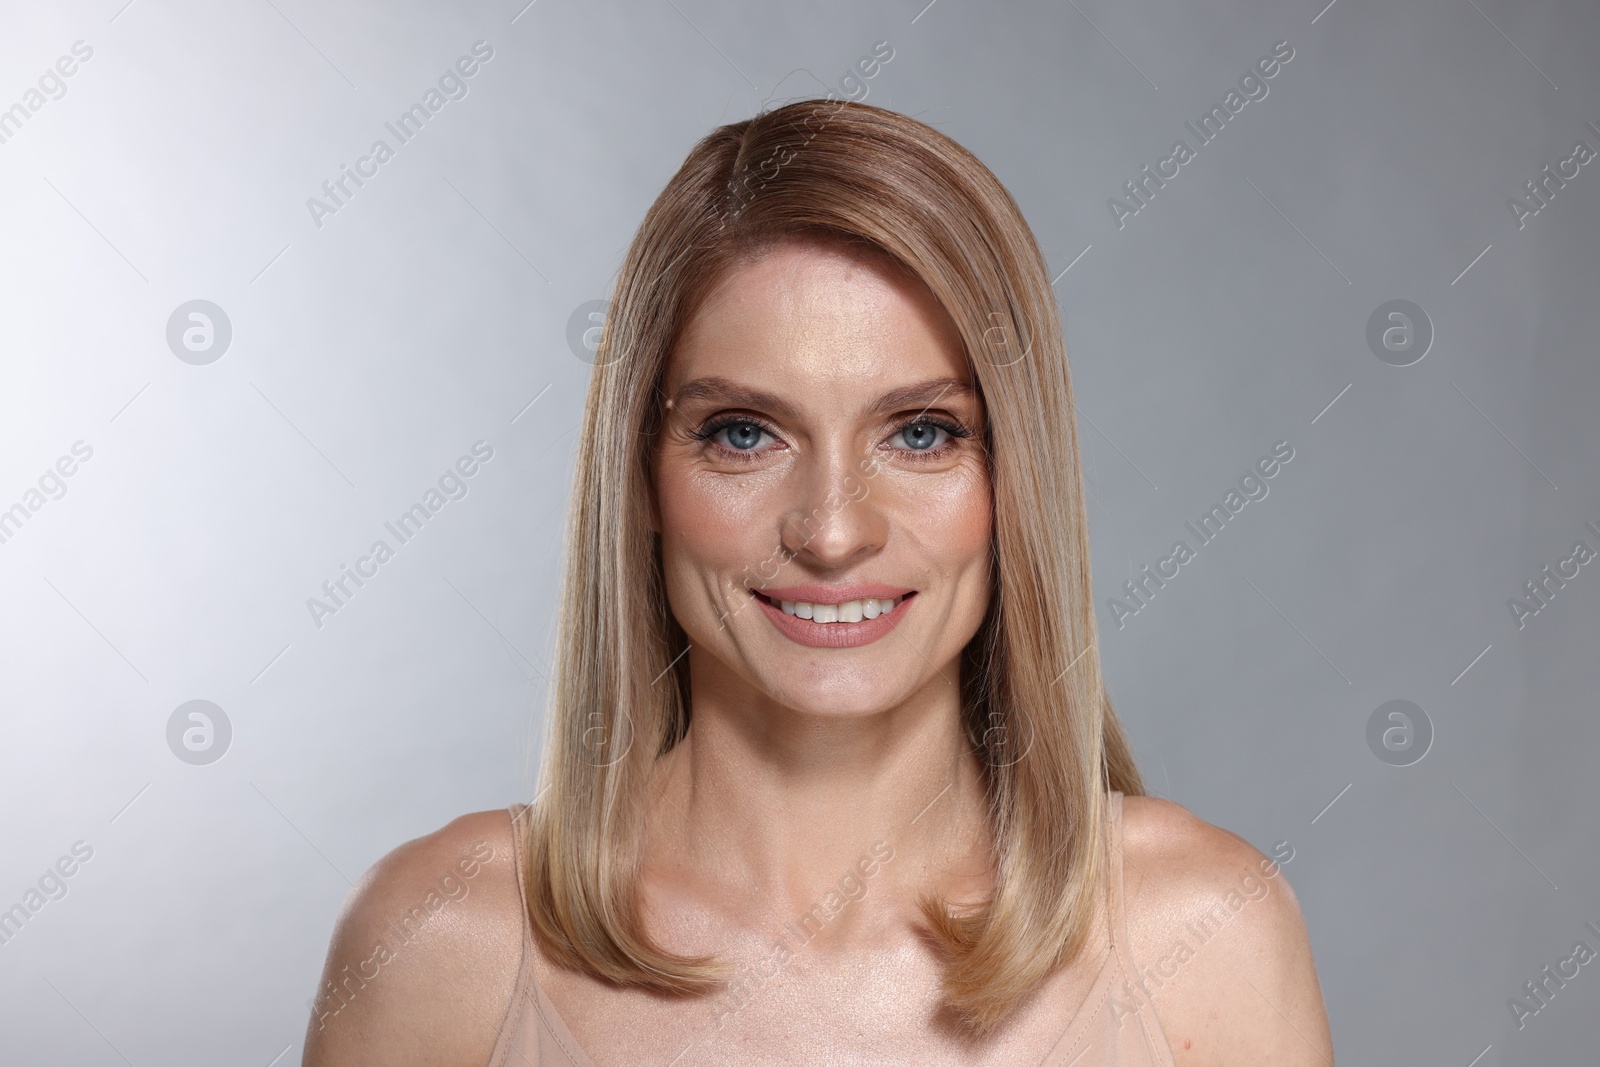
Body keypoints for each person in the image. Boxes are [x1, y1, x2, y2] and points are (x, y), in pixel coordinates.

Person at [303, 98, 1332, 1066]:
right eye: (744, 432)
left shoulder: (1205, 934)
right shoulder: (442, 940)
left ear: (1014, 475)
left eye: (921, 432)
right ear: (640, 477)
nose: (833, 530)